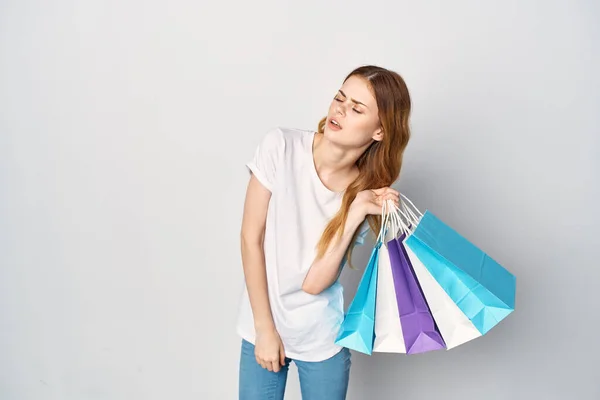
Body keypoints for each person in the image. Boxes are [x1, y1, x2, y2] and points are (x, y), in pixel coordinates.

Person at [236, 65, 412, 400]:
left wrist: (356, 212)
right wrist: (264, 328)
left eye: (357, 109)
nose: (340, 111)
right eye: (340, 98)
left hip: (320, 336)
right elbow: (250, 239)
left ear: (379, 131)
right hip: (262, 320)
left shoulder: (364, 194)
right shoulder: (281, 146)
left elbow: (314, 284)